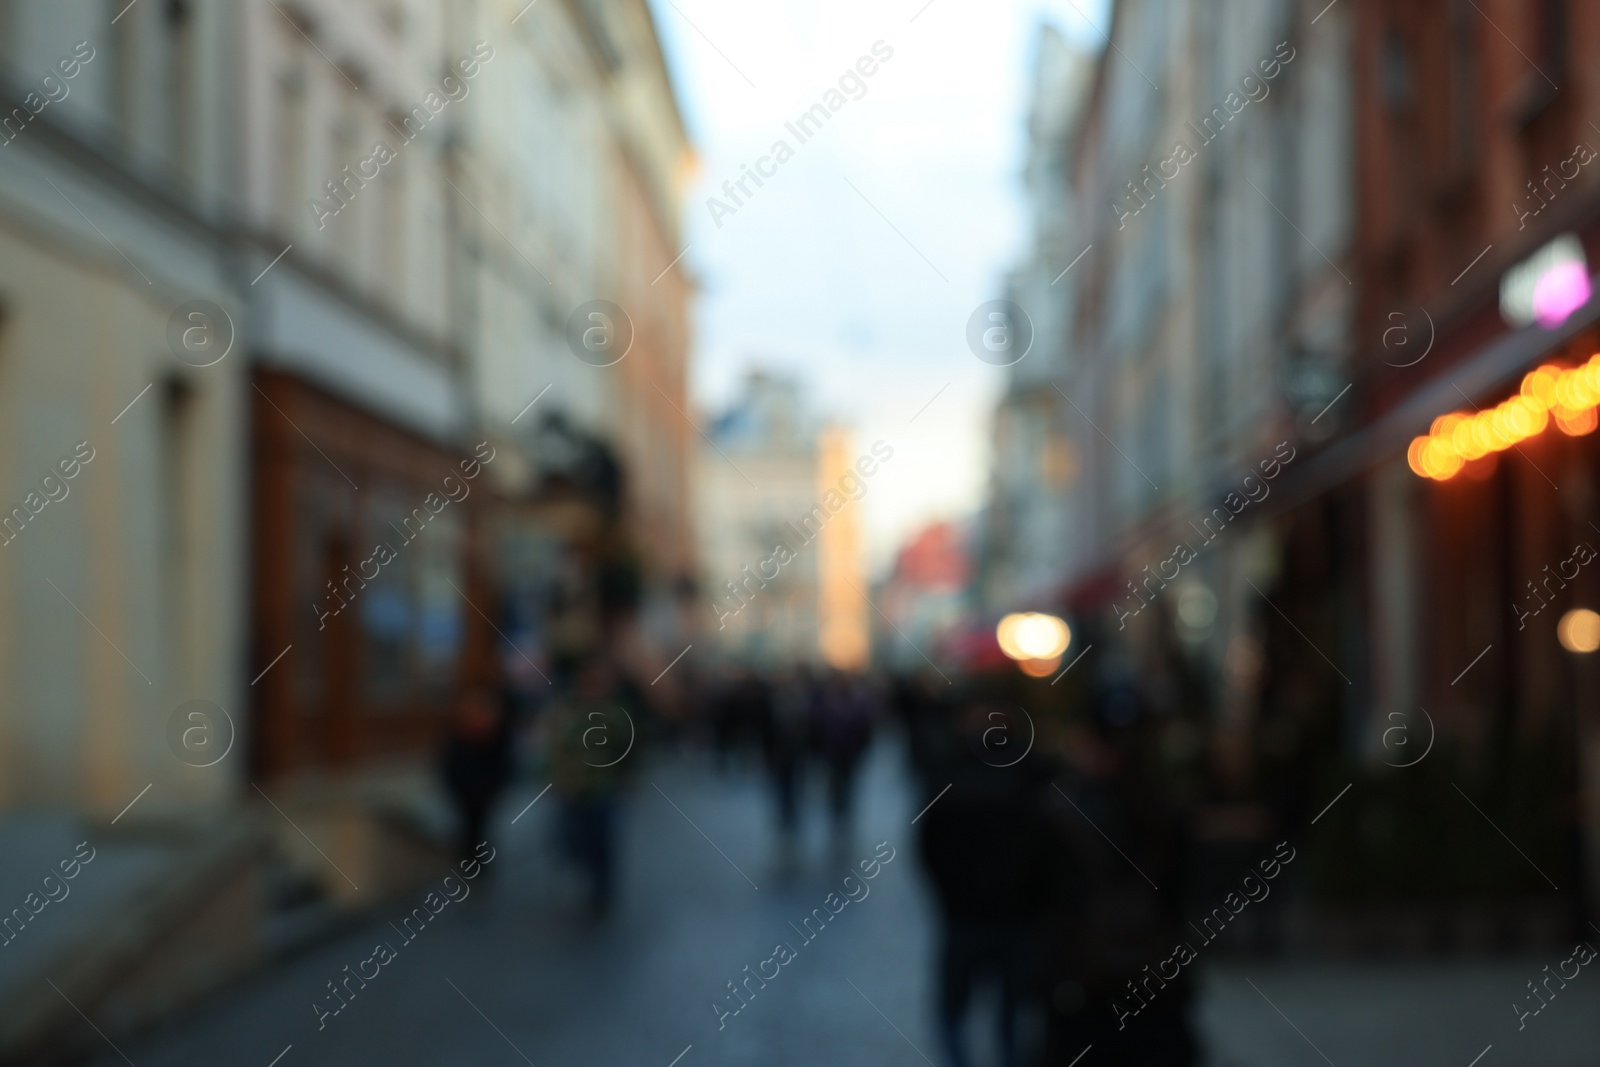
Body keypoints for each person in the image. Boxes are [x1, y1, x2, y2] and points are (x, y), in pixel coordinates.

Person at [917, 695, 1056, 1067]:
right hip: (1012, 917)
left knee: (956, 1011)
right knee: (1011, 1014)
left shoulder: (949, 773)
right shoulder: (1033, 774)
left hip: (973, 916)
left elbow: (928, 847)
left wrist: (950, 897)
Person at [550, 654, 636, 919]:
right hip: (573, 789)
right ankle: (592, 882)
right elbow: (558, 748)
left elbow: (628, 750)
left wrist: (626, 779)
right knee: (574, 841)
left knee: (602, 843)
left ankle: (601, 892)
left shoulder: (616, 715)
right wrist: (557, 778)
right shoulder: (569, 711)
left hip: (603, 789)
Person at [439, 682, 514, 864]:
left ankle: (476, 855)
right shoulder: (461, 726)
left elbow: (503, 759)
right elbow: (450, 758)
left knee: (481, 824)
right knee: (469, 823)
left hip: (485, 786)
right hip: (466, 785)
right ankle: (470, 854)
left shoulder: (497, 726)